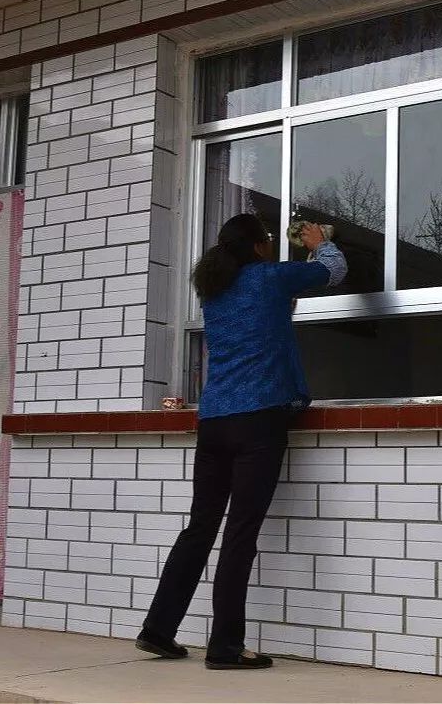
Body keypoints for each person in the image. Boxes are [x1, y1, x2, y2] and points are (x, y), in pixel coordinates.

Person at [135, 213, 346, 670]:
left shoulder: (214, 290)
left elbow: (266, 319)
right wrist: (319, 242)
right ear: (255, 247)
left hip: (214, 421)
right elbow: (332, 272)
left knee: (200, 528)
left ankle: (158, 629)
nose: (270, 245)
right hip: (259, 419)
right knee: (240, 532)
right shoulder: (268, 277)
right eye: (266, 239)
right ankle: (226, 646)